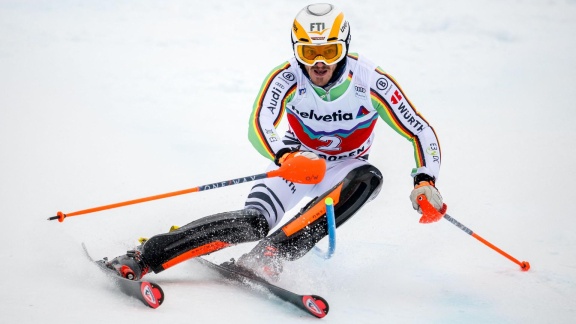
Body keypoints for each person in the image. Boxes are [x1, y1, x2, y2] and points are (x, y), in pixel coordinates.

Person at [105, 3, 444, 282]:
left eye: (329, 51)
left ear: (344, 47)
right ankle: (145, 256)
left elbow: (419, 130)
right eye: (309, 52)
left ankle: (271, 254)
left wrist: (425, 181)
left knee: (370, 178)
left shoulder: (371, 81)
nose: (319, 62)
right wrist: (285, 156)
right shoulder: (287, 76)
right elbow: (259, 124)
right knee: (253, 222)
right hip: (297, 164)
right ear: (297, 49)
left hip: (345, 169)